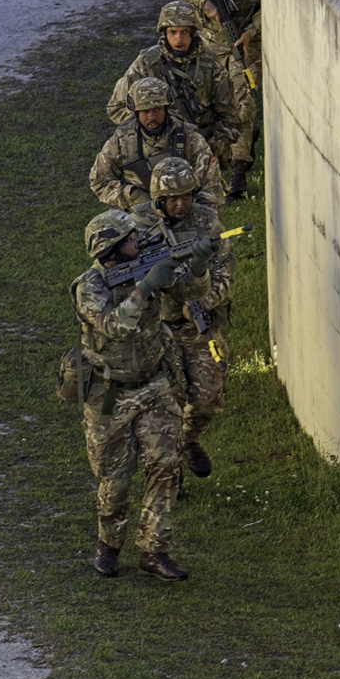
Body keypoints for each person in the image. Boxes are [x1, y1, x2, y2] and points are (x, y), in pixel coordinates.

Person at [70, 208, 209, 581]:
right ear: (112, 250)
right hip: (110, 394)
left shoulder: (150, 264)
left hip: (154, 384)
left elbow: (190, 293)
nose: (140, 241)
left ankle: (154, 551)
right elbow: (113, 326)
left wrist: (197, 266)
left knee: (166, 466)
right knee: (115, 480)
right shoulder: (90, 287)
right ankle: (108, 545)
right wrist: (145, 288)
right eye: (131, 239)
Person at [132, 157, 234, 479]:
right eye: (172, 199)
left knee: (209, 398)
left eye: (186, 196)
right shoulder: (138, 227)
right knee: (167, 404)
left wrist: (205, 300)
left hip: (198, 326)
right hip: (157, 330)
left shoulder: (209, 224)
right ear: (159, 199)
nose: (180, 204)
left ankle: (186, 440)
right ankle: (169, 473)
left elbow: (225, 272)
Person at [171, 0, 261, 199]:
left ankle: (239, 167)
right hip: (211, 42)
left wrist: (251, 32)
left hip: (247, 43)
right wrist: (205, 3)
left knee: (243, 100)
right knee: (208, 105)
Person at [106, 0, 240, 164]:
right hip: (154, 150)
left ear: (194, 33)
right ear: (164, 34)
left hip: (201, 149)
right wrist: (154, 117)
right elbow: (116, 109)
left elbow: (230, 116)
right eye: (173, 32)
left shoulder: (210, 65)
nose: (179, 38)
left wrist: (213, 147)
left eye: (184, 32)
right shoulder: (146, 63)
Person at [89, 76, 224, 210]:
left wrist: (195, 216)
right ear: (136, 113)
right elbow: (99, 181)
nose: (152, 116)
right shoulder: (120, 142)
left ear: (166, 109)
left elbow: (210, 186)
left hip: (182, 214)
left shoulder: (190, 139)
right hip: (137, 216)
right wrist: (132, 195)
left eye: (157, 110)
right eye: (145, 111)